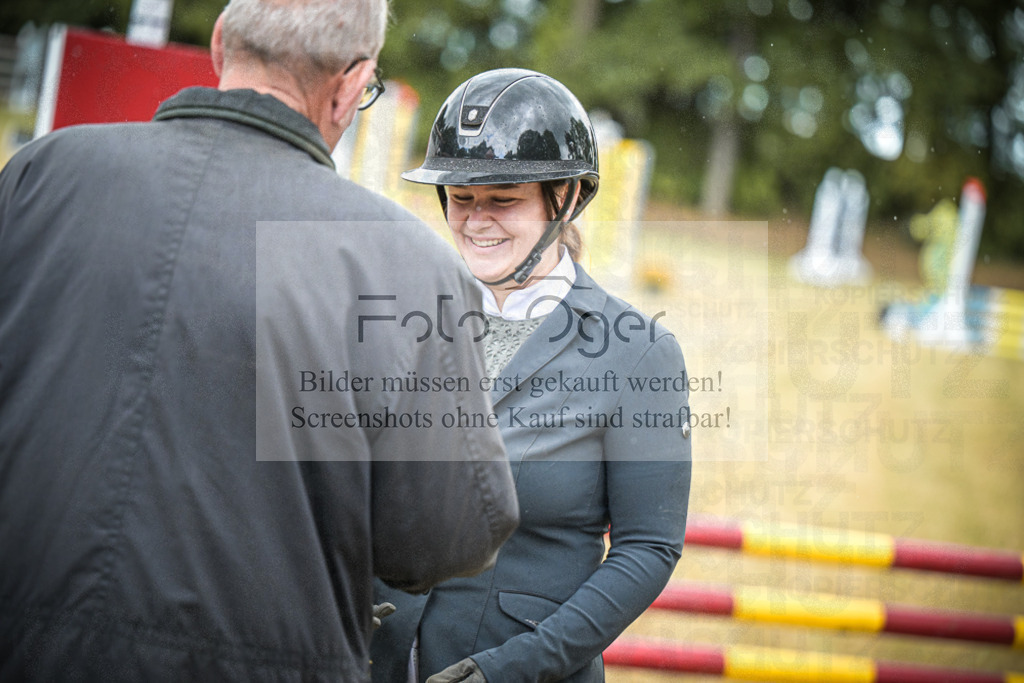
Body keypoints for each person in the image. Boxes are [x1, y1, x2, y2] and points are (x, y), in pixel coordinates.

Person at [0, 1, 519, 681]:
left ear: (220, 44)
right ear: (350, 84)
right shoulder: (404, 262)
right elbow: (448, 534)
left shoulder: (38, 176)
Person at [370, 68, 692, 682]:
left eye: (503, 198)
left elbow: (647, 548)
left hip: (520, 664)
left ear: (565, 196)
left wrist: (515, 668)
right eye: (461, 199)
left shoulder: (640, 352)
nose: (476, 221)